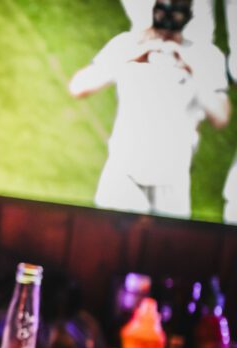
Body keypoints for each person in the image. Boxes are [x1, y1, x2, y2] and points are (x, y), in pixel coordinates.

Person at [70, 0, 231, 218]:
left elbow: (221, 117)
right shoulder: (128, 44)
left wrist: (193, 69)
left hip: (172, 182)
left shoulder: (206, 56)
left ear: (190, 13)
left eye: (176, 10)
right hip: (123, 175)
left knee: (165, 251)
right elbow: (78, 86)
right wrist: (129, 58)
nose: (168, 19)